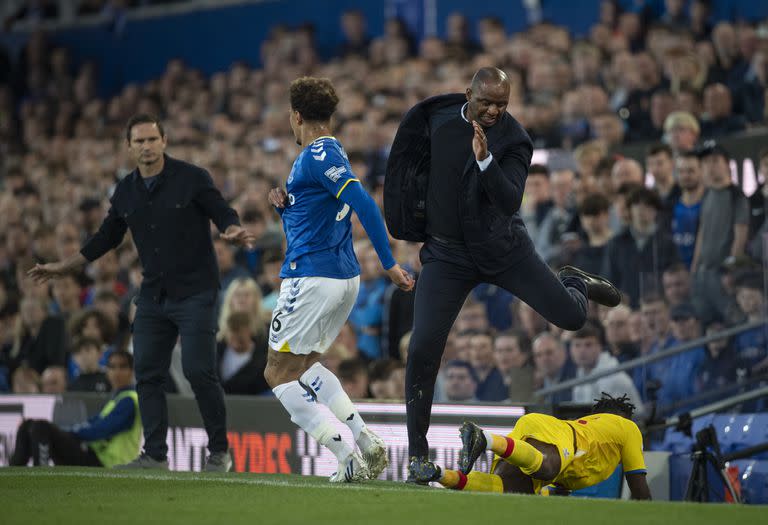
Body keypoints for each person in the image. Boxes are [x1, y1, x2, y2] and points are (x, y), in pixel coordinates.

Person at [384, 67, 621, 481]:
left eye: (501, 104)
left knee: (572, 318)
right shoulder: (437, 119)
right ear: (467, 95)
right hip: (447, 256)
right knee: (422, 347)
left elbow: (510, 200)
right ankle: (419, 456)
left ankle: (577, 282)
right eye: (485, 102)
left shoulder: (515, 140)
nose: (493, 111)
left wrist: (485, 160)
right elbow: (410, 160)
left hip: (503, 249)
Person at [27, 114, 257, 471]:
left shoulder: (193, 178)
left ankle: (219, 451)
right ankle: (154, 455)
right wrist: (63, 267)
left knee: (198, 370)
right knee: (147, 373)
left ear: (164, 141)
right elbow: (106, 237)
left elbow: (221, 210)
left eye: (152, 139)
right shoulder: (125, 191)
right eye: (140, 141)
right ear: (129, 147)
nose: (147, 147)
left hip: (196, 290)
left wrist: (232, 228)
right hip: (153, 294)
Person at [264, 77, 414, 483]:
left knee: (276, 373)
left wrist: (387, 262)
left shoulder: (316, 153)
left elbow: (361, 200)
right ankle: (364, 438)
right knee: (308, 363)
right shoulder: (330, 151)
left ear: (296, 116)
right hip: (341, 277)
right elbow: (320, 209)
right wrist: (286, 206)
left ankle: (344, 453)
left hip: (311, 275)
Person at [410, 393, 651, 499]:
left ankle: (437, 473)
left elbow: (561, 483)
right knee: (546, 468)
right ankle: (485, 440)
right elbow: (638, 487)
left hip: (534, 431)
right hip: (555, 435)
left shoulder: (595, 434)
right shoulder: (627, 427)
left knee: (509, 490)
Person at [10, 350, 142, 468]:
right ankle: (13, 475)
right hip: (96, 456)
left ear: (132, 371)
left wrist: (72, 433)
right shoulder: (117, 399)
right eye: (112, 367)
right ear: (107, 371)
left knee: (40, 427)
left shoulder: (129, 400)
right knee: (28, 425)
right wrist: (69, 432)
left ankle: (41, 477)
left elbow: (102, 430)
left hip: (108, 462)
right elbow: (94, 424)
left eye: (122, 367)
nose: (116, 372)